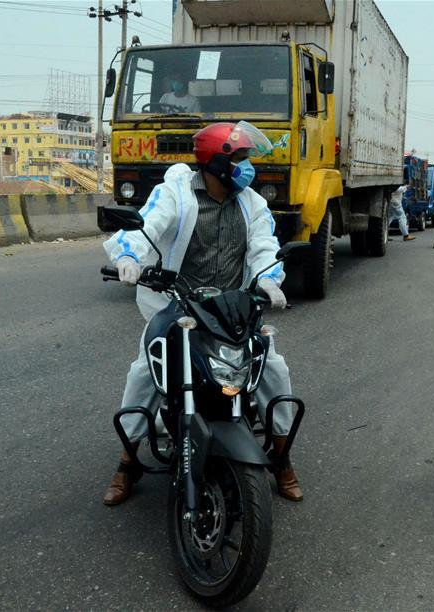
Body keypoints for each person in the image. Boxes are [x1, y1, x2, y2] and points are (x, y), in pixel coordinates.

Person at [102, 121, 303, 506]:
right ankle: (128, 461)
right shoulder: (176, 192)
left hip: (232, 307)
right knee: (145, 370)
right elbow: (148, 225)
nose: (248, 166)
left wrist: (270, 278)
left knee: (273, 368)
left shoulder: (252, 202)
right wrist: (129, 256)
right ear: (217, 162)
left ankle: (282, 458)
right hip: (179, 304)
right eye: (241, 158)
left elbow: (265, 246)